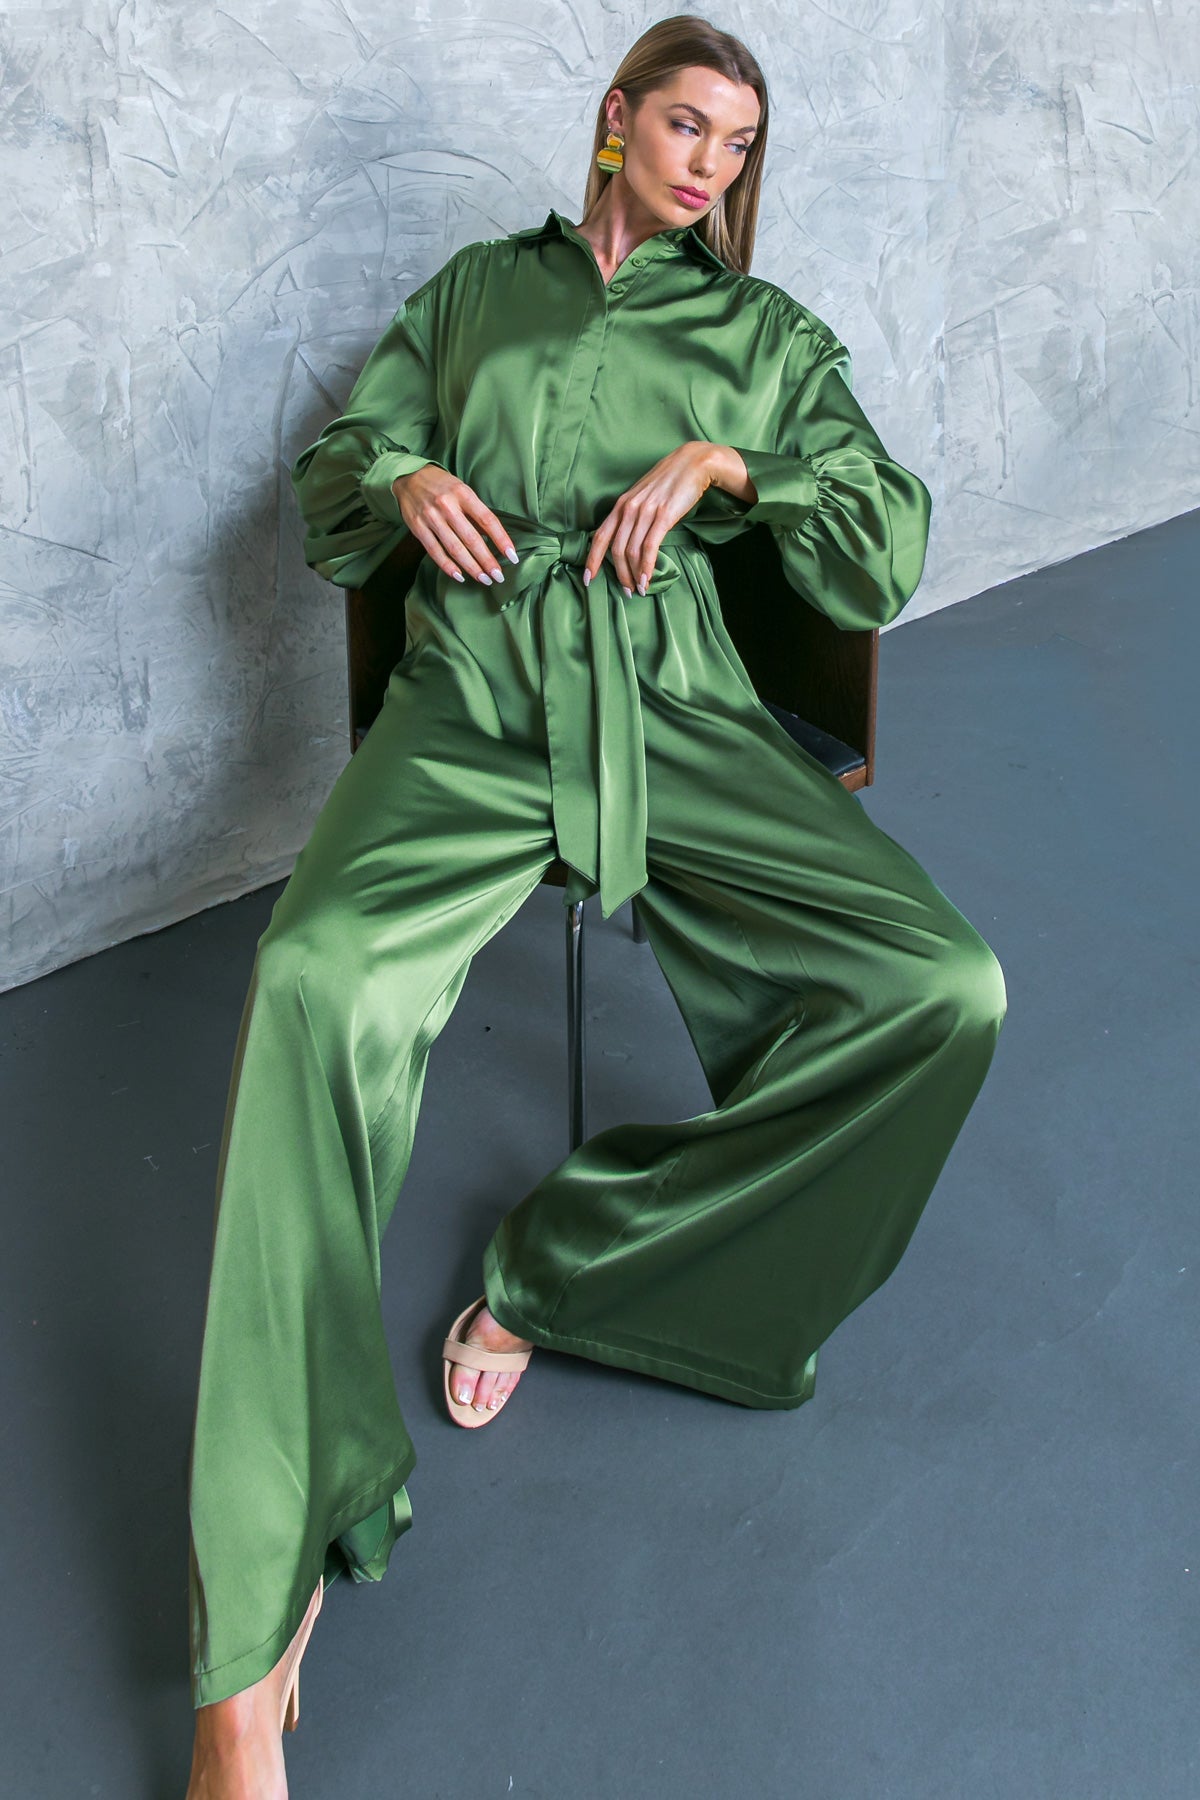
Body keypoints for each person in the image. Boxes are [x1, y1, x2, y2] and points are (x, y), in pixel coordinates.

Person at [184, 15, 1007, 1795]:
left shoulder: (762, 337)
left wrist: (735, 470)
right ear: (618, 119)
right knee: (310, 978)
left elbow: (887, 538)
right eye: (689, 125)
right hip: (473, 704)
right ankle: (253, 1631)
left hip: (673, 708)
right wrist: (401, 474)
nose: (713, 165)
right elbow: (334, 487)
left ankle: (571, 1266)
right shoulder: (478, 293)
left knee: (946, 987)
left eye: (740, 143)